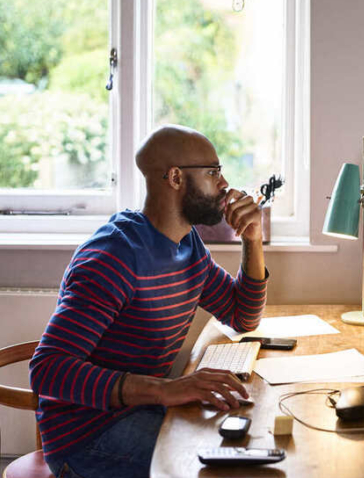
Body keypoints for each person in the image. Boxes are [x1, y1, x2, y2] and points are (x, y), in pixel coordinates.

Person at [29, 125, 268, 478]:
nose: (224, 184)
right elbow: (47, 370)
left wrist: (253, 239)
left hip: (143, 413)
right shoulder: (114, 258)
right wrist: (166, 389)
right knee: (227, 469)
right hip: (87, 438)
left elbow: (241, 316)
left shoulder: (188, 246)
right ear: (175, 178)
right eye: (213, 172)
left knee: (247, 443)